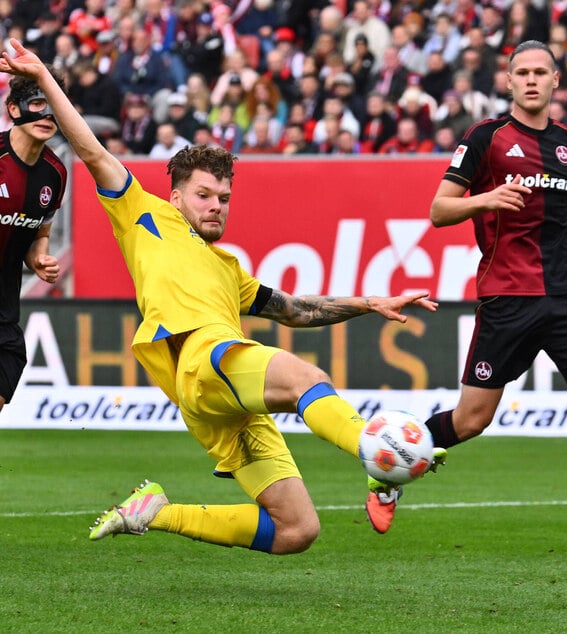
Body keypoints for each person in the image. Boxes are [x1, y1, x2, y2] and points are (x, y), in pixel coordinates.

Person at [0, 39, 438, 555]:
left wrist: (370, 303)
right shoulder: (144, 214)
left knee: (297, 530)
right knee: (307, 379)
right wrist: (46, 78)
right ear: (176, 195)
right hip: (200, 358)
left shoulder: (230, 270)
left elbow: (296, 310)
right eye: (204, 195)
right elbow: (92, 149)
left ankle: (158, 512)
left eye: (224, 198)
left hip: (219, 398)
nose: (215, 207)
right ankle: (375, 453)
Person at [384, 40, 567, 559]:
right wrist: (487, 198)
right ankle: (390, 459)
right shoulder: (485, 139)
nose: (532, 80)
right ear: (509, 82)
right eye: (522, 73)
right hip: (508, 295)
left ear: (557, 80)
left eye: (541, 72)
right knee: (471, 420)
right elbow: (439, 210)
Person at [0, 71, 68, 413]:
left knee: (9, 365)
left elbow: (38, 232)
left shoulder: (55, 173)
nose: (47, 116)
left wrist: (39, 258)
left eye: (54, 107)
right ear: (14, 109)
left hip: (4, 310)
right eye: (38, 104)